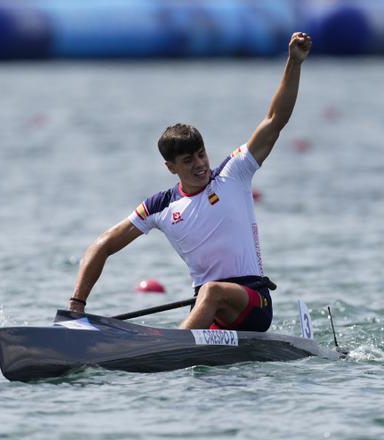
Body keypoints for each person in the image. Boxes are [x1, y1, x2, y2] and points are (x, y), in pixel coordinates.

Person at [68, 32, 313, 331]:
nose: (200, 165)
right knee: (208, 299)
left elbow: (275, 119)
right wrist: (76, 307)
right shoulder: (160, 206)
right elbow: (103, 244)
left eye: (201, 154)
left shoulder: (233, 174)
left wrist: (294, 62)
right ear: (171, 167)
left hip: (254, 304)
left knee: (210, 292)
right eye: (188, 161)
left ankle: (166, 348)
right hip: (214, 313)